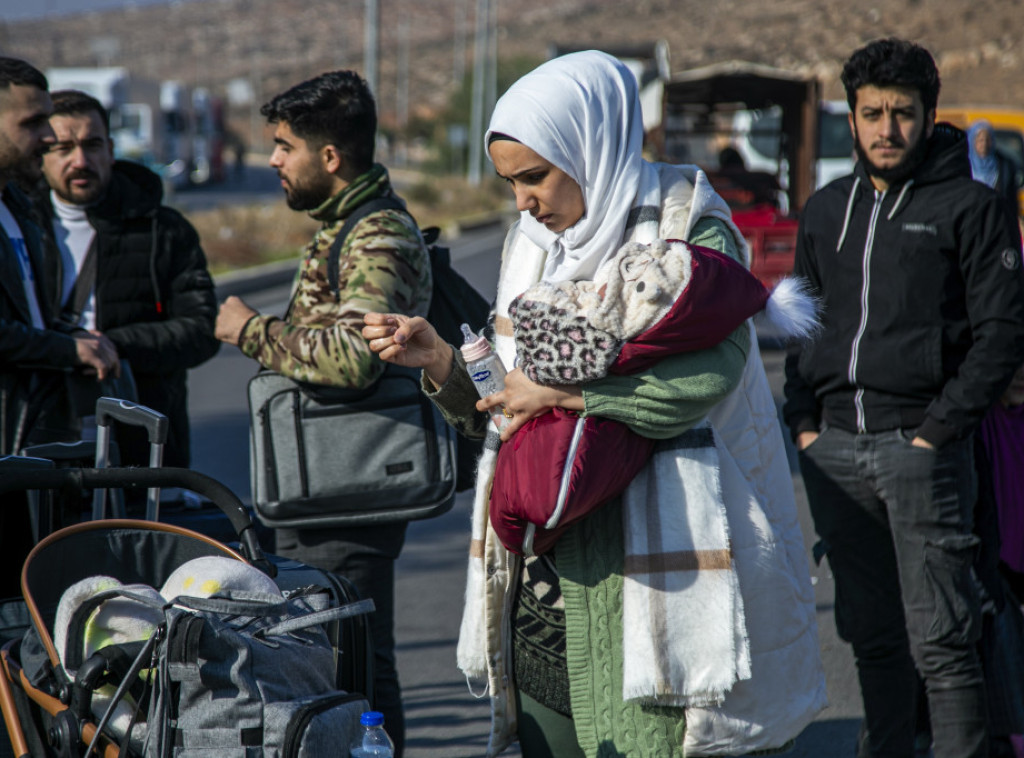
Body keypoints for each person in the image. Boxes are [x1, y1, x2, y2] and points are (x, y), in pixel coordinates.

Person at [364, 50, 825, 757]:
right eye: (511, 182)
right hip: (544, 595)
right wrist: (442, 362)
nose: (522, 201)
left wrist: (571, 394)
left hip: (654, 593)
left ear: (592, 147)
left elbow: (711, 375)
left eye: (534, 177)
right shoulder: (534, 248)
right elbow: (507, 405)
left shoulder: (689, 225)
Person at [783, 37, 1024, 758]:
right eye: (872, 113)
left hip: (923, 453)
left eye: (903, 113)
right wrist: (803, 425)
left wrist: (938, 431)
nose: (888, 129)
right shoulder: (825, 211)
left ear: (928, 115)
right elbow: (801, 322)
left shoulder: (971, 210)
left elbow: (1003, 334)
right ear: (851, 118)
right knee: (873, 639)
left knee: (945, 642)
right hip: (834, 456)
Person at [214, 70, 430, 757]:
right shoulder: (344, 227)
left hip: (350, 494)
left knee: (354, 668)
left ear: (329, 157)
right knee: (335, 665)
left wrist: (251, 330)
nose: (273, 160)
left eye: (284, 146)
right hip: (321, 491)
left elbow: (353, 357)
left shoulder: (376, 235)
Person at [31, 89, 219, 470]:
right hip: (37, 443)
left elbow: (202, 330)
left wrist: (112, 346)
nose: (80, 160)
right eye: (64, 147)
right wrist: (62, 348)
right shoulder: (17, 229)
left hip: (140, 449)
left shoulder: (163, 230)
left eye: (92, 144)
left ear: (111, 149)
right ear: (41, 152)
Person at [0, 59, 119, 597]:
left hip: (28, 447)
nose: (48, 136)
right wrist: (66, 348)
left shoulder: (17, 205)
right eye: (31, 124)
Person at [967, 120, 1020, 220]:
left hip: (998, 221)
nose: (984, 144)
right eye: (980, 140)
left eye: (988, 139)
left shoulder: (1004, 166)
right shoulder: (965, 166)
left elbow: (1012, 200)